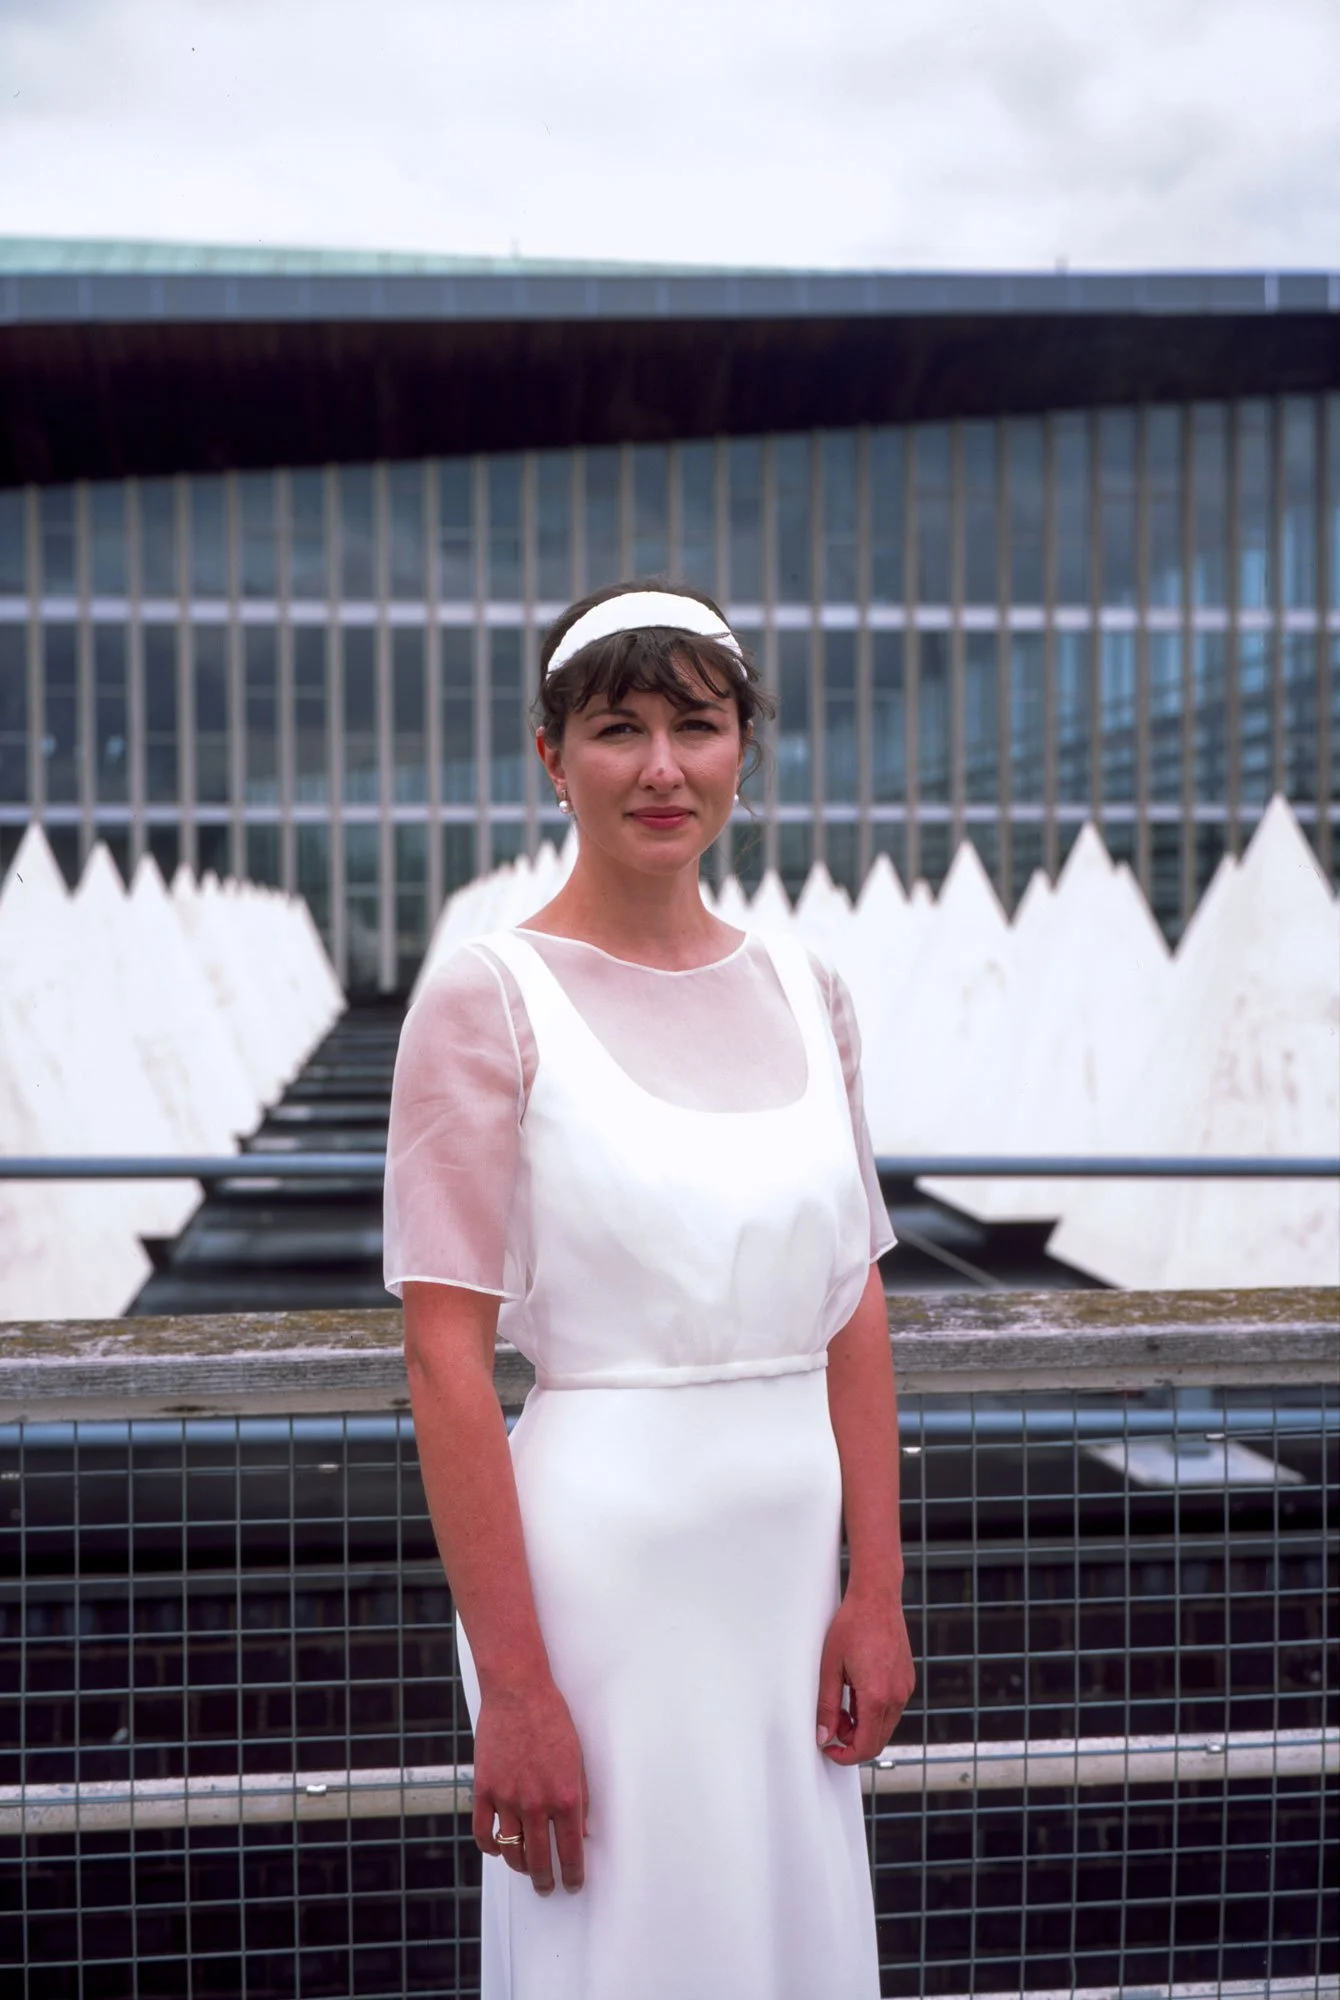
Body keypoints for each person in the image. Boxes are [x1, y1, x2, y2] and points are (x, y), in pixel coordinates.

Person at [384, 581, 915, 2000]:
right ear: (552, 756)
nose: (663, 767)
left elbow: (853, 1302)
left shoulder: (810, 989)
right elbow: (445, 1361)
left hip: (787, 1583)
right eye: (619, 728)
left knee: (789, 1936)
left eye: (699, 725)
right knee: (626, 1946)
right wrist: (515, 1686)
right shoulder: (485, 1001)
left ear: (745, 747)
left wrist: (877, 1590)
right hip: (601, 1586)